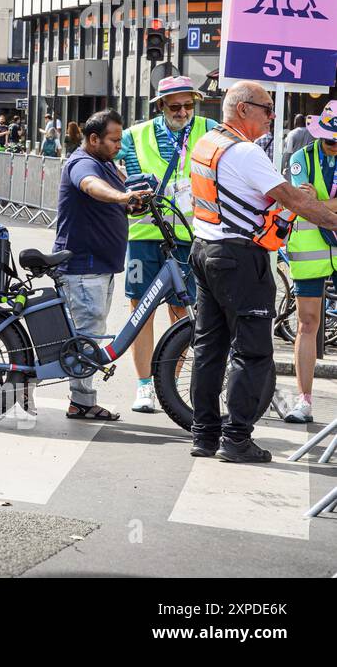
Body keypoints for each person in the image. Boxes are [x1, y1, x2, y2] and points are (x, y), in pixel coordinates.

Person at [188, 81, 337, 462]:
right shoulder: (245, 152)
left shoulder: (208, 143)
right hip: (239, 257)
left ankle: (204, 435)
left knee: (209, 348)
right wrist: (312, 207)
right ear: (242, 109)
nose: (273, 115)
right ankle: (236, 439)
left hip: (206, 250)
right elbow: (297, 203)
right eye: (266, 108)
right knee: (252, 353)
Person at [116, 76, 211, 414]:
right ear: (160, 106)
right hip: (145, 234)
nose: (183, 112)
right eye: (175, 106)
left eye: (188, 105)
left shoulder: (209, 129)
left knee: (183, 314)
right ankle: (143, 387)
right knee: (141, 311)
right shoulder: (133, 135)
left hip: (190, 234)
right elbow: (110, 170)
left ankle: (168, 384)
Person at [52, 109, 150, 420]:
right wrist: (121, 198)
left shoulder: (107, 164)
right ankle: (81, 400)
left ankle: (82, 398)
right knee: (87, 336)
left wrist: (133, 199)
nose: (119, 145)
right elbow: (91, 186)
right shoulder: (84, 163)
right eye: (113, 140)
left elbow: (115, 197)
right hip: (83, 267)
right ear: (94, 139)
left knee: (91, 333)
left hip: (99, 268)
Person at [282, 100, 337, 424]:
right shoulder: (302, 157)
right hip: (309, 249)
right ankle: (303, 401)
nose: (333, 146)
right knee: (307, 322)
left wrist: (321, 201)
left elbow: (313, 200)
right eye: (330, 140)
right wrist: (321, 204)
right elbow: (301, 202)